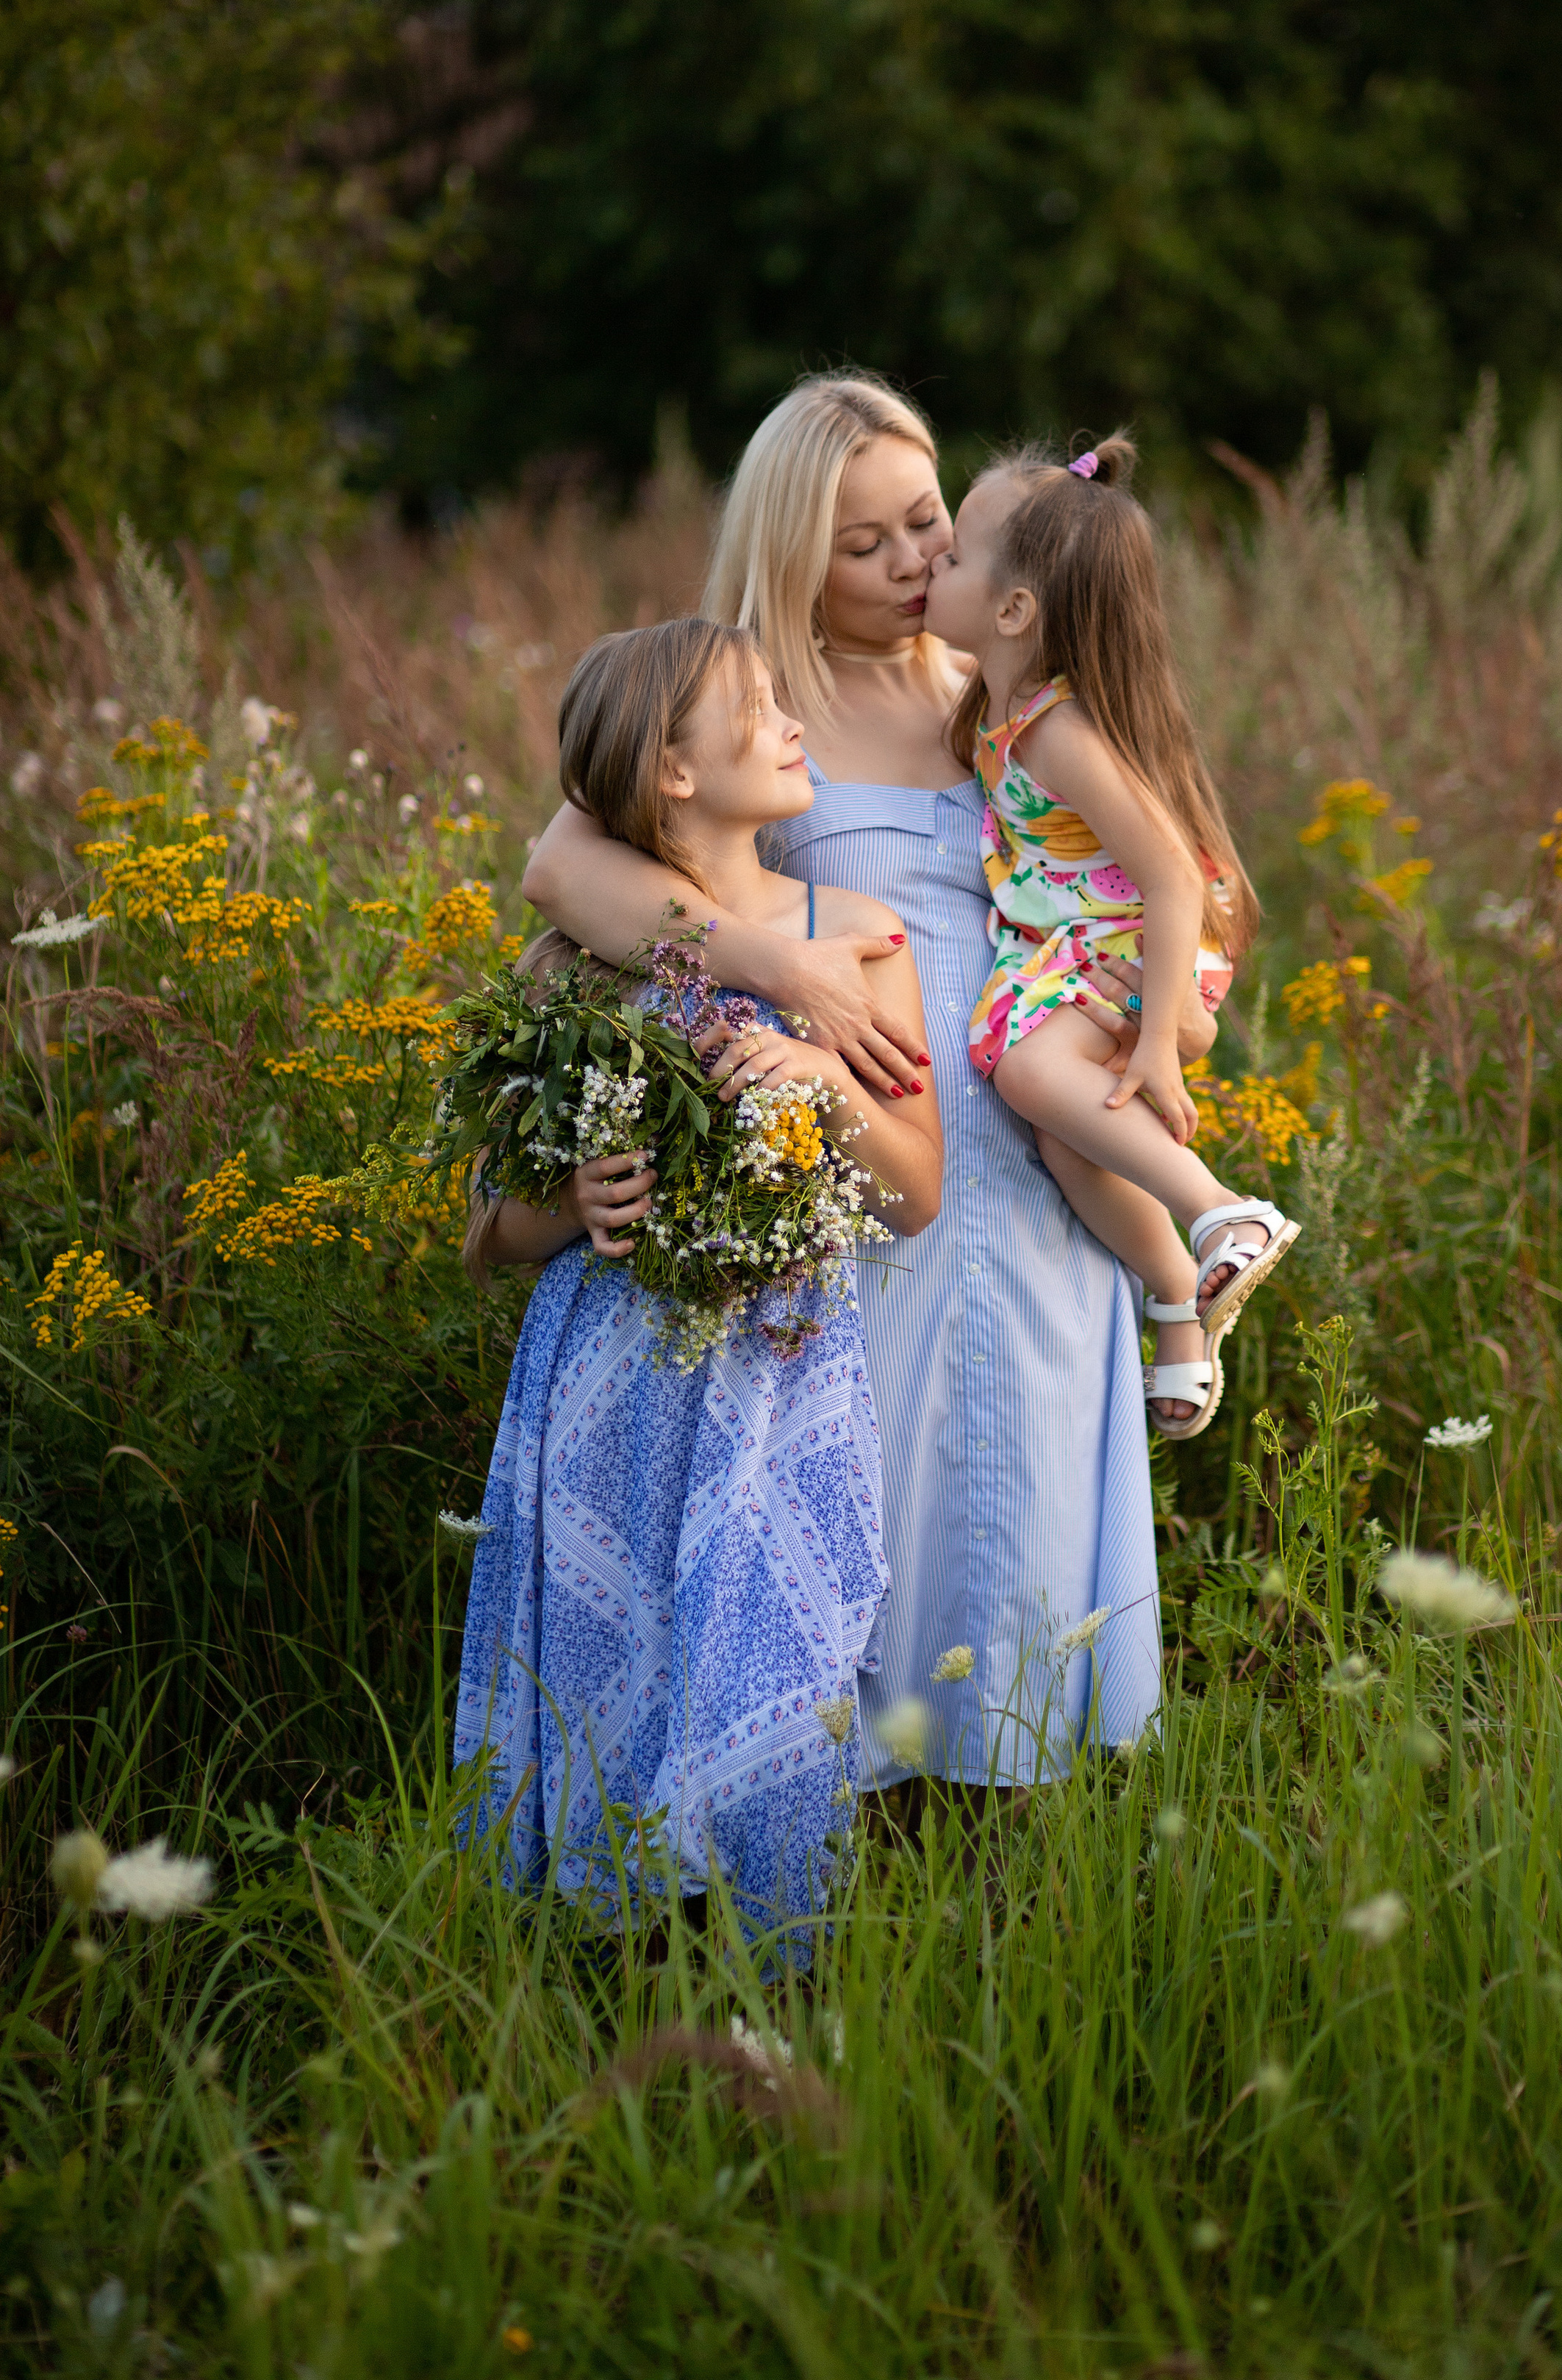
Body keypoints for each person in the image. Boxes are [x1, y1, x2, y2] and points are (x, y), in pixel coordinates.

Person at [522, 374, 1216, 1782]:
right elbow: (563, 868)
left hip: (1030, 1159)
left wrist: (1165, 1011)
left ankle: (1006, 1885)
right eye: (867, 545)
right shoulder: (744, 702)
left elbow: (1166, 857)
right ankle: (836, 1856)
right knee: (867, 1527)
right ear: (792, 555)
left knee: (1011, 1537)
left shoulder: (998, 690)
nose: (914, 566)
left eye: (929, 527)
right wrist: (775, 965)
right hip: (862, 1174)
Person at [456, 614, 940, 1942]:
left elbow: (915, 1194)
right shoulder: (574, 964)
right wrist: (571, 1202)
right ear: (673, 770)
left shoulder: (854, 940)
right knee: (616, 1684)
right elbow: (484, 1231)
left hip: (779, 1376)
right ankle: (607, 1974)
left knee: (781, 1667)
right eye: (758, 703)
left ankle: (776, 1971)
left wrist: (829, 1079)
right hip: (607, 1388)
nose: (793, 722)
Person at [922, 435, 1298, 1438]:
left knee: (1023, 1069)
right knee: (1067, 1129)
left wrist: (1162, 1042)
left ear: (1012, 611)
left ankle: (1224, 1211)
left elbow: (1175, 874)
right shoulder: (999, 710)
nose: (930, 565)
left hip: (1136, 935)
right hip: (1085, 940)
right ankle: (1179, 1301)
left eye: (951, 554)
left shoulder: (1055, 729)